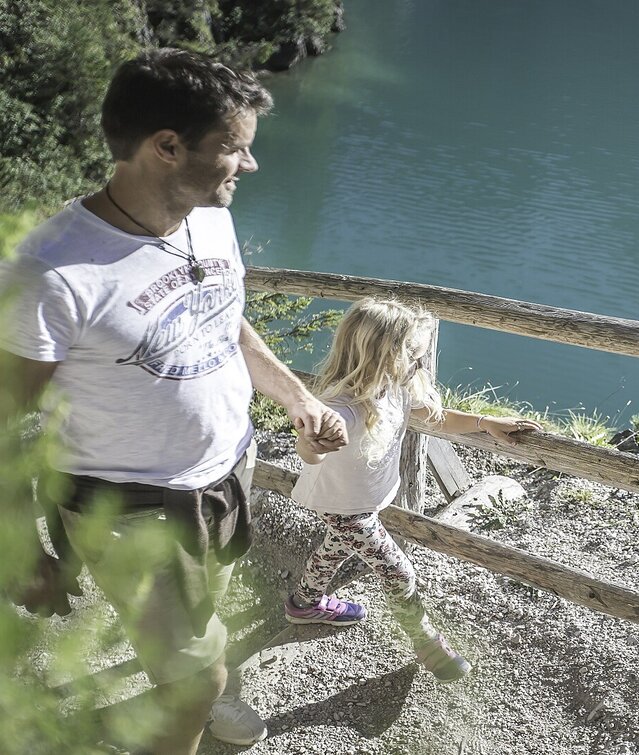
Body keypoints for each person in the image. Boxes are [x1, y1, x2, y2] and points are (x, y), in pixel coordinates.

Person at [0, 48, 347, 753]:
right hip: (128, 506)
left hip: (225, 476)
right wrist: (18, 547)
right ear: (166, 146)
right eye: (234, 148)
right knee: (195, 681)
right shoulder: (52, 272)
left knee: (196, 638)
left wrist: (296, 395)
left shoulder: (207, 216)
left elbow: (223, 316)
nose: (248, 166)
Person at [285, 298, 541, 681]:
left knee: (337, 546)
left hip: (358, 502)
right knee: (398, 573)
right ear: (382, 354)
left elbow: (438, 419)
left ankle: (304, 604)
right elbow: (310, 451)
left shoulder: (394, 387)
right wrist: (311, 443)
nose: (420, 364)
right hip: (341, 505)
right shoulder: (343, 410)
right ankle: (426, 641)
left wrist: (485, 422)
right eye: (414, 356)